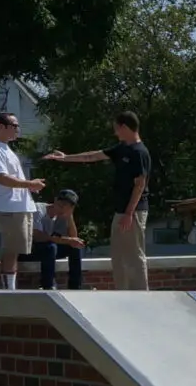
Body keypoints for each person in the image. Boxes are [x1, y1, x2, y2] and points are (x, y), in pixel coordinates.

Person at [46, 109, 154, 291]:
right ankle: (123, 292)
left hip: (133, 211)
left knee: (135, 254)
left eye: (116, 128)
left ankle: (141, 293)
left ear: (125, 127)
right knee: (118, 255)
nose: (115, 132)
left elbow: (140, 185)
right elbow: (93, 156)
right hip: (120, 211)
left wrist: (129, 213)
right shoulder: (121, 149)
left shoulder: (139, 152)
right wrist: (65, 158)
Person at [0, 110, 45, 290]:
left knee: (14, 249)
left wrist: (29, 186)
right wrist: (29, 184)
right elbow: (1, 177)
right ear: (1, 127)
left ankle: (9, 286)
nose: (18, 129)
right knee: (12, 249)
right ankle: (9, 289)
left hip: (19, 205)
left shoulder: (5, 148)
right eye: (14, 126)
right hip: (9, 206)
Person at [34, 188, 87, 290]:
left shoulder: (63, 216)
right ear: (55, 201)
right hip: (33, 248)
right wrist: (66, 240)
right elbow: (38, 236)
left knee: (75, 247)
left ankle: (75, 286)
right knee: (51, 247)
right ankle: (48, 285)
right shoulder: (38, 210)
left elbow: (73, 239)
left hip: (50, 250)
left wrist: (69, 217)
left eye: (68, 207)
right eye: (61, 205)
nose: (63, 209)